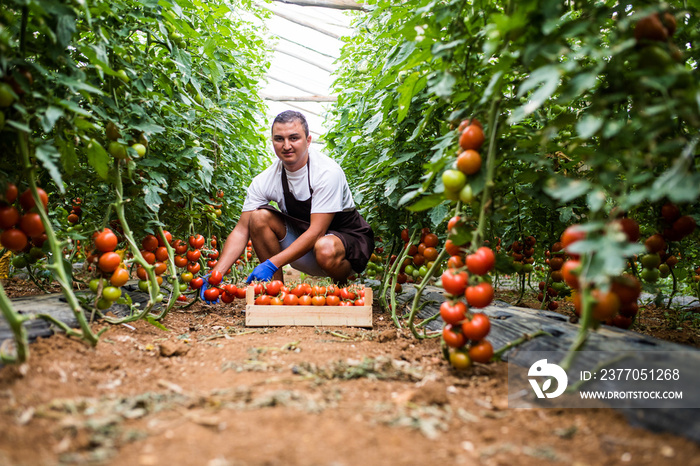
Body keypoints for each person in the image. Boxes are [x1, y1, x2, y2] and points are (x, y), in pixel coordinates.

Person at [201, 111, 374, 302]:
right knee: (257, 217)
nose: (286, 146)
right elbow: (242, 231)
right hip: (304, 245)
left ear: (308, 141)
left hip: (347, 248)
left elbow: (317, 232)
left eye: (294, 138)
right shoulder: (266, 179)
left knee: (324, 247)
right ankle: (276, 294)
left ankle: (342, 288)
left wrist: (271, 263)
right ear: (272, 141)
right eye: (279, 139)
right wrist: (216, 274)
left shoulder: (327, 172)